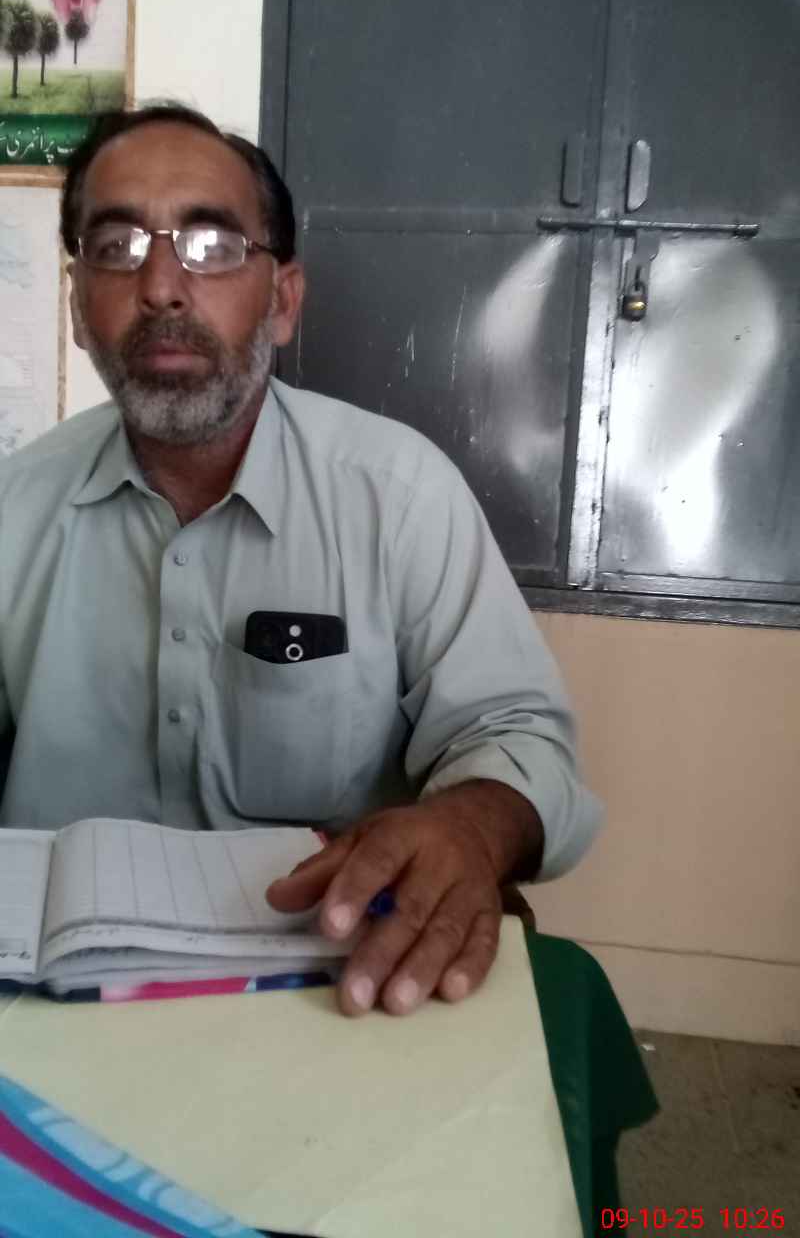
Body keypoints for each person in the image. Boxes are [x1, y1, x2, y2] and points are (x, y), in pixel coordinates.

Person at [0, 103, 602, 1017]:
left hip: (325, 986)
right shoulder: (15, 506)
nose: (160, 287)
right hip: (51, 1002)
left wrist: (470, 828)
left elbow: (516, 735)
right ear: (80, 305)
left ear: (281, 300)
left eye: (210, 245)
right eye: (117, 247)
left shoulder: (398, 495)